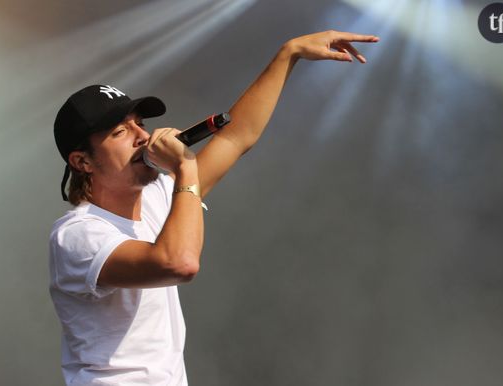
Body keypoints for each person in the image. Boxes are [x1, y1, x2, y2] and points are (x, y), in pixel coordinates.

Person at [49, 29, 379, 386]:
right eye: (120, 132)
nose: (143, 137)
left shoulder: (160, 195)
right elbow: (179, 263)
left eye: (140, 125)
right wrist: (186, 166)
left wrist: (289, 54)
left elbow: (236, 138)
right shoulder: (77, 235)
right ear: (82, 161)